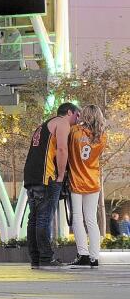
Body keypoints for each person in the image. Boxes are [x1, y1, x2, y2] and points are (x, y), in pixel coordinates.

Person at [23, 103, 79, 269]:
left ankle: (36, 259)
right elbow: (62, 149)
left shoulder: (43, 125)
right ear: (69, 112)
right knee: (43, 218)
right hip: (46, 177)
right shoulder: (62, 123)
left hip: (31, 176)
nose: (78, 119)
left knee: (33, 219)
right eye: (77, 115)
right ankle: (46, 258)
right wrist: (61, 175)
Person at [67, 105, 107, 269]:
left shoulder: (74, 131)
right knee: (91, 220)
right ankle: (94, 257)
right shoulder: (102, 136)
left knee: (77, 217)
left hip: (76, 180)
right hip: (93, 181)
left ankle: (82, 254)